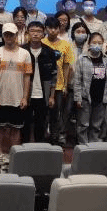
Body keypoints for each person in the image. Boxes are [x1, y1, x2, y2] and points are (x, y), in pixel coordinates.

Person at [0, 23, 32, 171]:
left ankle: (13, 155)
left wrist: (25, 97)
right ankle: (0, 153)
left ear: (16, 35)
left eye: (12, 34)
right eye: (6, 34)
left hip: (17, 97)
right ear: (3, 36)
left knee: (16, 129)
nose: (9, 37)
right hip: (0, 98)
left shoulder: (25, 54)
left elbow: (27, 77)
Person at [72, 32, 107, 143]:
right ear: (89, 43)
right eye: (94, 42)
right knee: (83, 124)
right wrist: (78, 98)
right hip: (86, 97)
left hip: (101, 97)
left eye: (100, 43)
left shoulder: (106, 59)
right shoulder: (82, 59)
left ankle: (93, 145)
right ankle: (83, 146)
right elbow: (77, 80)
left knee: (96, 125)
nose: (97, 45)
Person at [22, 21, 57, 143]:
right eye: (32, 31)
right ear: (27, 33)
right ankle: (24, 147)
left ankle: (39, 148)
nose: (35, 34)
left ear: (43, 34)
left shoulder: (49, 51)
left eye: (38, 31)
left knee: (40, 123)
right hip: (25, 94)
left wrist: (52, 96)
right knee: (25, 123)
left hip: (43, 94)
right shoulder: (22, 50)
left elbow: (54, 76)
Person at [43, 16, 76, 146]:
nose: (53, 31)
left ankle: (55, 138)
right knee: (43, 114)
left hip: (59, 85)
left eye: (55, 28)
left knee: (56, 114)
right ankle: (43, 138)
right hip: (43, 85)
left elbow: (67, 66)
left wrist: (65, 85)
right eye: (50, 28)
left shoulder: (65, 44)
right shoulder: (41, 42)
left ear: (59, 29)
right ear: (46, 29)